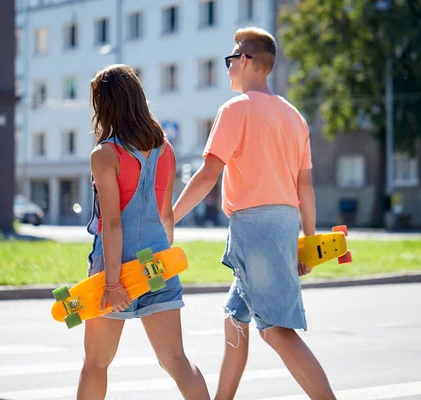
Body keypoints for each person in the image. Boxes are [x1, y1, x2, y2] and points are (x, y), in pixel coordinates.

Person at [172, 27, 336, 400]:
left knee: (275, 329)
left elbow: (208, 175)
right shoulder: (294, 117)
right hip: (282, 224)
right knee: (235, 320)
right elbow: (304, 188)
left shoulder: (235, 109)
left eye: (231, 60)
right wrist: (307, 241)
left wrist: (170, 217)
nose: (229, 67)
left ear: (247, 61)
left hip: (255, 229)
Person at [77, 64, 210, 400]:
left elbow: (113, 222)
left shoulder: (105, 154)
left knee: (95, 363)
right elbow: (165, 216)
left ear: (106, 105)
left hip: (115, 269)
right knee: (176, 360)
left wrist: (111, 282)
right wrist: (162, 264)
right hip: (158, 265)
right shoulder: (165, 149)